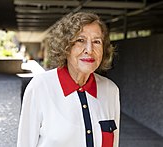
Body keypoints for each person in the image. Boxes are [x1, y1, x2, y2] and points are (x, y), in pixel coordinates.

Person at [17, 12, 120, 147]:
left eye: (96, 42)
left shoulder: (111, 90)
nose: (89, 49)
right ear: (66, 47)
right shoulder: (40, 87)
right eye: (80, 40)